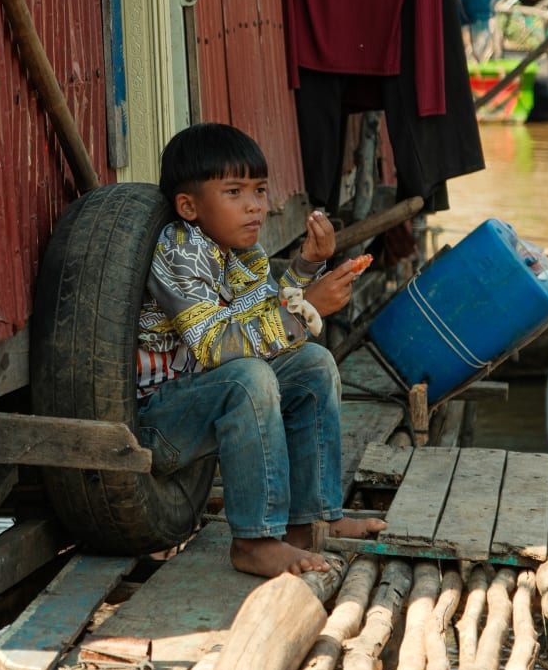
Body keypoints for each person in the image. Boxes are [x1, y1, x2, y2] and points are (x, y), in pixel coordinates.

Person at [136, 122, 386, 578]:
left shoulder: (241, 252)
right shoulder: (179, 253)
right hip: (160, 422)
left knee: (313, 364)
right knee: (251, 377)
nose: (254, 205)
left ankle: (311, 522)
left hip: (206, 399)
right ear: (189, 207)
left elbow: (266, 316)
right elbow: (216, 347)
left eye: (259, 190)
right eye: (234, 192)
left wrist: (309, 264)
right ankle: (254, 541)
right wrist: (308, 309)